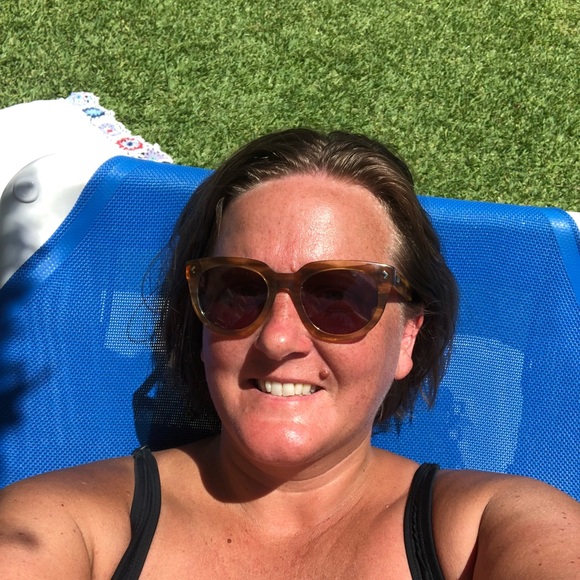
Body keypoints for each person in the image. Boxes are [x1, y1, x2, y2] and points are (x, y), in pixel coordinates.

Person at [0, 128, 578, 579]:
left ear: (407, 337)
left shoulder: (491, 528)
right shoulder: (67, 524)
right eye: (238, 290)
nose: (278, 339)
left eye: (339, 296)